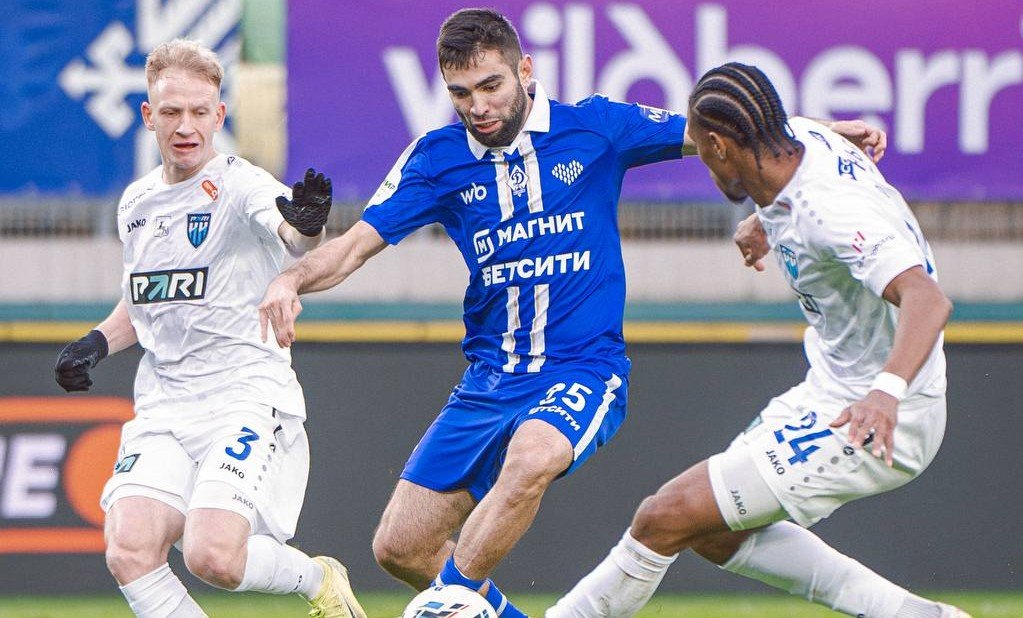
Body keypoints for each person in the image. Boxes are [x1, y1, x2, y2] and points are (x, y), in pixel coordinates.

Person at [258, 10, 885, 617]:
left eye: (491, 86)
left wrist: (822, 133)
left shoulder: (597, 128)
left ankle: (448, 607)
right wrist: (290, 279)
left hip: (582, 369)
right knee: (400, 548)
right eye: (460, 94)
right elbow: (351, 248)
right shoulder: (435, 159)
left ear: (525, 70)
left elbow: (721, 129)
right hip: (488, 382)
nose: (478, 107)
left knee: (531, 458)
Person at [545, 62, 970, 618]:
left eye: (701, 150)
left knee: (664, 517)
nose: (702, 161)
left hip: (884, 410)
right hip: (830, 390)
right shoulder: (799, 144)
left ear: (720, 146)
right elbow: (804, 157)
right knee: (711, 530)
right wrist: (768, 221)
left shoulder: (828, 212)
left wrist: (885, 394)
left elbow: (928, 299)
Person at [53, 39, 365, 618]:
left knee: (213, 556)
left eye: (200, 111)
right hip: (165, 405)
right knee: (129, 548)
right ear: (148, 115)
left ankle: (317, 577)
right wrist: (95, 344)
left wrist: (307, 224)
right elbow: (144, 300)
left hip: (243, 394)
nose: (185, 126)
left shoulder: (241, 184)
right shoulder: (136, 203)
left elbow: (294, 234)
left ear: (220, 115)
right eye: (171, 111)